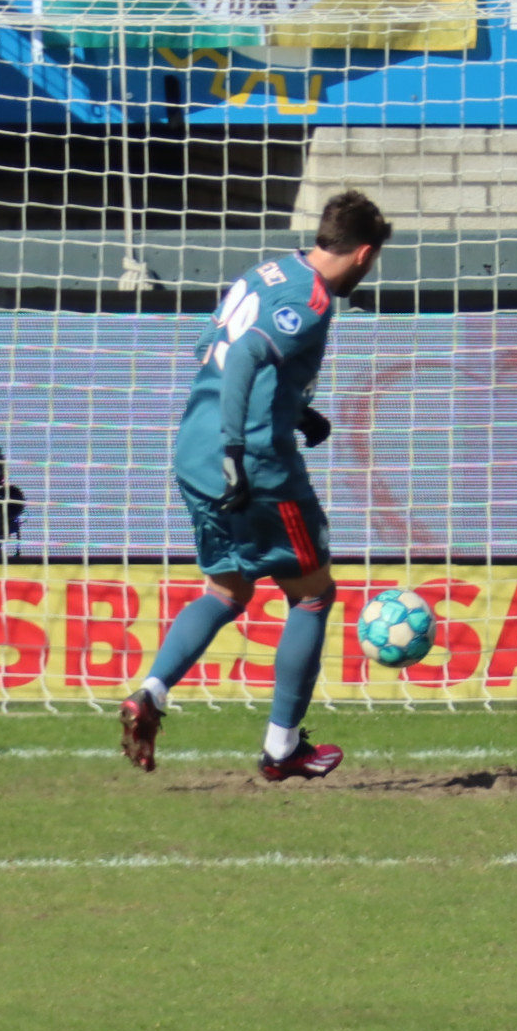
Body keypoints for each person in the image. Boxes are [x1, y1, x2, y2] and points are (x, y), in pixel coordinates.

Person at [118, 188, 395, 784]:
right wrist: (239, 452)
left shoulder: (266, 272)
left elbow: (209, 349)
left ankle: (152, 691)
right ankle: (282, 748)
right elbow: (245, 354)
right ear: (364, 254)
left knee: (226, 591)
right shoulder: (313, 300)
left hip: (193, 449)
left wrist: (295, 409)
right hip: (249, 462)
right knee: (313, 593)